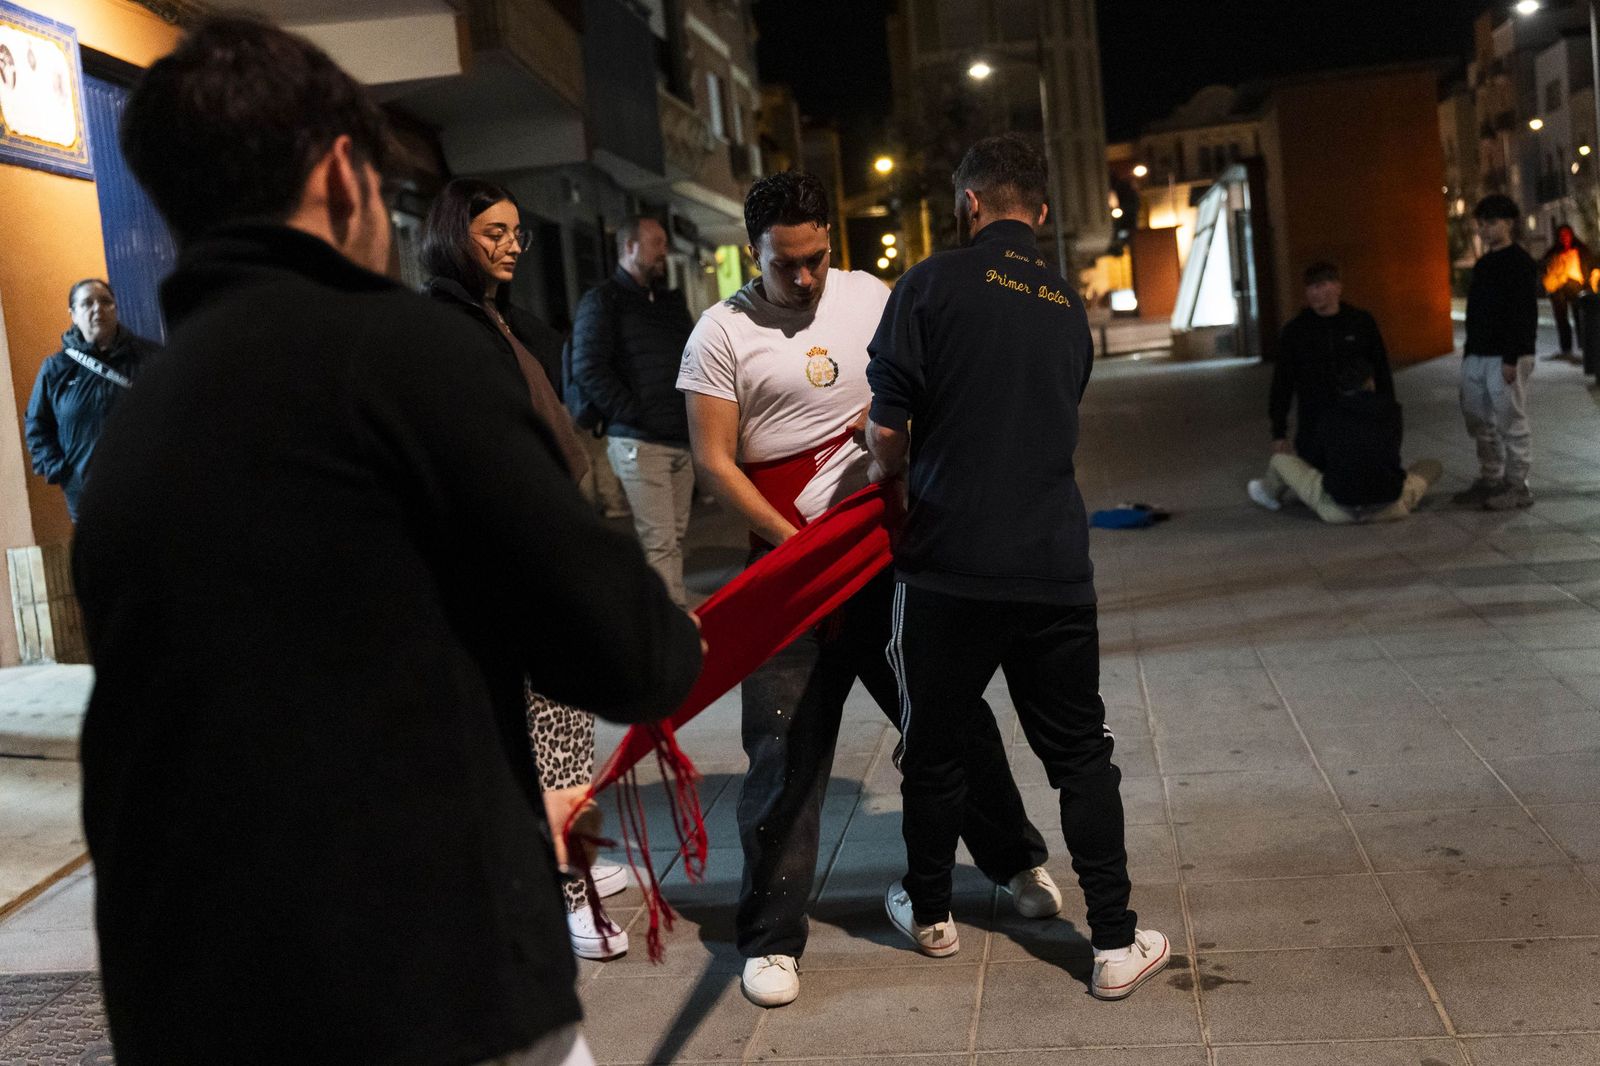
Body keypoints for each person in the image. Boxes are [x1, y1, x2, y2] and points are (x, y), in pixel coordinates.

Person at [75, 16, 702, 1066]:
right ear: (342, 177)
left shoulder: (138, 422)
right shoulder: (403, 352)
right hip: (417, 984)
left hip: (187, 994)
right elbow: (623, 647)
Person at [679, 170, 1054, 1009]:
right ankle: (772, 938)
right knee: (785, 751)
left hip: (887, 559)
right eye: (786, 265)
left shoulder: (872, 297)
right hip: (790, 577)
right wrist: (794, 546)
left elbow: (927, 397)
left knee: (949, 715)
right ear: (753, 253)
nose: (805, 278)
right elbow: (713, 463)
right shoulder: (720, 332)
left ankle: (1016, 859)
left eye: (816, 259)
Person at [865, 134, 1168, 1001]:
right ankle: (1112, 942)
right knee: (1079, 755)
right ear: (1039, 211)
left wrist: (887, 472)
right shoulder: (1069, 305)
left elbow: (889, 432)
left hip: (948, 565)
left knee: (934, 746)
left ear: (968, 205)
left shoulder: (927, 285)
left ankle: (930, 917)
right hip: (1051, 566)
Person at [421, 177, 636, 962]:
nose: (513, 243)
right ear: (454, 235)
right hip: (503, 568)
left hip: (537, 554)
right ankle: (568, 893)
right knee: (551, 737)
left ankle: (565, 870)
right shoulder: (447, 328)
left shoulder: (498, 318)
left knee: (565, 726)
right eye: (495, 232)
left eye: (518, 232)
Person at [570, 216, 697, 608]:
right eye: (657, 243)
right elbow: (588, 368)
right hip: (639, 442)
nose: (665, 251)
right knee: (659, 542)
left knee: (672, 539)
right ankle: (676, 634)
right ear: (629, 247)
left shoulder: (670, 302)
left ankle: (663, 624)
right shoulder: (603, 301)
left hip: (680, 437)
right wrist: (637, 414)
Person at [24, 279, 159, 521]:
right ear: (73, 315)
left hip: (150, 490)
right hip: (87, 499)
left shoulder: (150, 358)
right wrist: (63, 474)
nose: (98, 309)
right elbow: (37, 426)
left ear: (115, 309)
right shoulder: (56, 369)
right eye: (87, 303)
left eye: (105, 302)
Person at [1247, 358, 1442, 523]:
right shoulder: (1391, 410)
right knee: (1432, 465)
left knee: (1280, 460)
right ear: (1370, 382)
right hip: (1391, 506)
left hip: (1337, 509)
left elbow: (1315, 456)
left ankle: (1269, 493)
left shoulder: (1330, 413)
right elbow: (1391, 448)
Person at [1454, 194, 1541, 511]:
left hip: (1506, 356)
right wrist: (1468, 354)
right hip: (1478, 353)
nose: (1485, 230)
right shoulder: (1485, 263)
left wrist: (1511, 358)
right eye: (1482, 224)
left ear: (1509, 223)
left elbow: (1522, 314)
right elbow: (1477, 312)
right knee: (1478, 419)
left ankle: (1518, 485)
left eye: (1491, 223)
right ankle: (1491, 477)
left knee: (1510, 420)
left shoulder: (1519, 263)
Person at [1267, 261, 1394, 471]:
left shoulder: (1360, 322)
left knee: (1351, 471)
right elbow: (1282, 382)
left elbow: (1381, 368)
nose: (1315, 293)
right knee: (1318, 472)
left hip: (1356, 416)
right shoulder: (1297, 330)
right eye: (1310, 287)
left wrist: (1387, 411)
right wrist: (1278, 431)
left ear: (1337, 287)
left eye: (1321, 285)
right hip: (1314, 421)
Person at [1540, 223, 1594, 359]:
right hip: (1558, 289)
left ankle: (1585, 348)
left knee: (1580, 317)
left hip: (1576, 286)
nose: (1564, 238)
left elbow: (1589, 267)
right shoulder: (1553, 253)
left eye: (1566, 235)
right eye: (1561, 236)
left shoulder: (1581, 250)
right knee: (1561, 319)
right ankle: (1566, 349)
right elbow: (1544, 268)